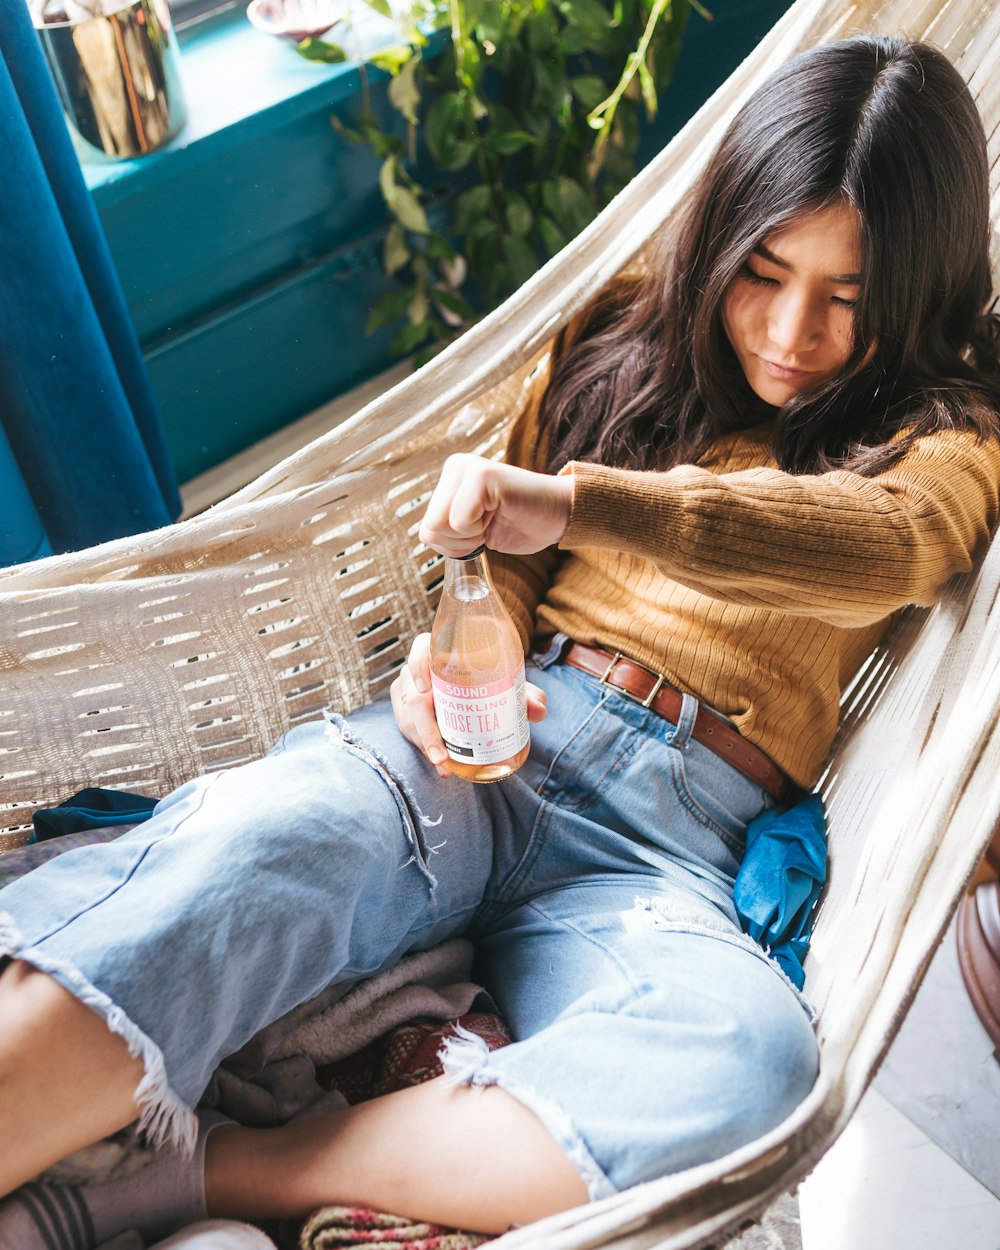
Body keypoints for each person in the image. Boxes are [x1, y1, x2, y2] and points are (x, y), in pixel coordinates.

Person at [2, 31, 1000, 1250]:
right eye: (764, 269)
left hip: (664, 854)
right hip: (502, 740)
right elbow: (506, 562)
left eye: (849, 300)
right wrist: (455, 655)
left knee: (744, 1068)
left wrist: (586, 501)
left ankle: (212, 1172)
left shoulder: (942, 439)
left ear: (918, 292)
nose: (792, 331)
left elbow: (871, 542)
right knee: (252, 846)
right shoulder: (627, 341)